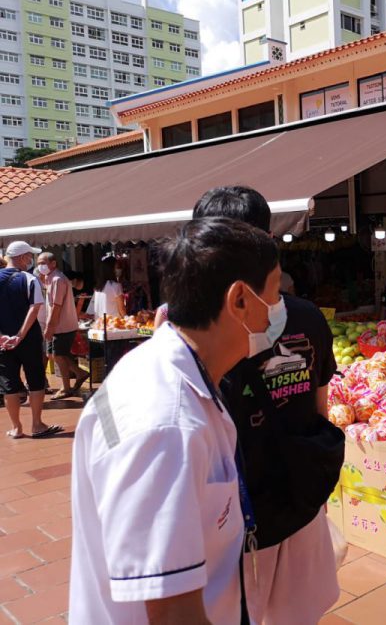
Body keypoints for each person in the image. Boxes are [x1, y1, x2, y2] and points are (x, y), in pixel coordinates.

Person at [69, 217, 281, 624]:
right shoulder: (164, 425)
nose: (277, 312)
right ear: (240, 299)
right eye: (274, 294)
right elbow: (172, 614)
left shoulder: (172, 376)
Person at [193, 186, 342, 625]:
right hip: (297, 491)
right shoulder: (308, 316)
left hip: (235, 515)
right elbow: (319, 407)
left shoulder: (202, 331)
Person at [0, 241, 61, 439]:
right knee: (35, 380)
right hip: (29, 339)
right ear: (22, 257)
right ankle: (37, 424)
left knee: (9, 385)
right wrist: (20, 335)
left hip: (3, 341)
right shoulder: (29, 279)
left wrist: (2, 336)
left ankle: (16, 428)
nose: (30, 260)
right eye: (29, 256)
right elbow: (35, 308)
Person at [37, 253, 89, 399]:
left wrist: (50, 326)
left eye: (43, 262)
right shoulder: (50, 279)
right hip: (58, 325)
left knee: (58, 355)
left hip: (61, 326)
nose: (40, 266)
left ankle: (66, 388)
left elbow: (56, 306)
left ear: (53, 263)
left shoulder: (57, 280)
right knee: (53, 354)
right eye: (38, 263)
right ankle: (80, 373)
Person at [88, 254, 126, 322]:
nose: (119, 269)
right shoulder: (116, 286)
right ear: (111, 269)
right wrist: (129, 320)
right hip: (113, 323)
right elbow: (121, 310)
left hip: (99, 323)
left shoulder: (98, 287)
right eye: (117, 267)